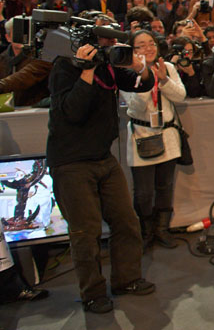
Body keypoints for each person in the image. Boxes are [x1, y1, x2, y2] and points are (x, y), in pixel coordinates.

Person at [47, 34, 156, 313]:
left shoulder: (109, 65)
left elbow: (143, 84)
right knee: (86, 232)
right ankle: (92, 293)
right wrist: (86, 69)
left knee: (126, 221)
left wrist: (140, 67)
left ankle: (126, 279)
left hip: (103, 157)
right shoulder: (64, 66)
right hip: (71, 162)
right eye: (106, 41)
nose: (111, 46)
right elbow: (72, 112)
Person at [122, 30, 186, 249]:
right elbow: (135, 108)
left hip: (167, 134)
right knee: (143, 192)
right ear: (132, 50)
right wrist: (146, 80)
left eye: (151, 43)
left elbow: (180, 96)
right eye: (141, 45)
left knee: (165, 186)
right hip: (142, 136)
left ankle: (162, 229)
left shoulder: (166, 67)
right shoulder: (126, 73)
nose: (148, 48)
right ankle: (145, 231)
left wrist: (164, 79)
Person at [0, 17, 52, 106]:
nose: (23, 37)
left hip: (35, 109)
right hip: (9, 111)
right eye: (17, 32)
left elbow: (24, 77)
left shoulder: (42, 56)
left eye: (26, 32)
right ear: (8, 37)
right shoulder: (2, 58)